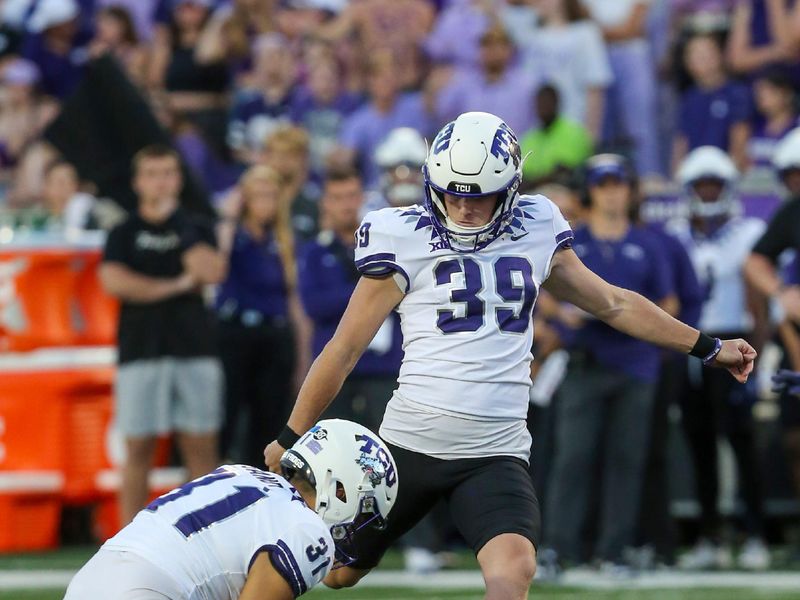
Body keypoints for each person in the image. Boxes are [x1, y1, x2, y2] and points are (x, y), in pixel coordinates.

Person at [263, 112, 755, 599]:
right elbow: (345, 348)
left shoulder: (536, 226)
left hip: (494, 450)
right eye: (452, 192)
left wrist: (708, 347)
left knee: (514, 569)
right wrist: (290, 434)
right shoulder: (403, 234)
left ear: (511, 187)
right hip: (408, 446)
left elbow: (613, 302)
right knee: (336, 573)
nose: (463, 209)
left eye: (480, 197)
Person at [65, 419, 398, 600]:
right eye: (364, 506)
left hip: (92, 576)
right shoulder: (305, 529)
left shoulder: (242, 474)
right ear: (340, 486)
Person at [544, 153, 677, 569]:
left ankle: (613, 550)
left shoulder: (649, 244)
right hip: (586, 360)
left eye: (618, 183)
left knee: (627, 461)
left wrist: (645, 329)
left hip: (636, 364)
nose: (611, 192)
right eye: (603, 184)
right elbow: (541, 289)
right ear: (590, 191)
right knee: (573, 459)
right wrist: (560, 313)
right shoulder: (571, 242)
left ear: (630, 190)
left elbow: (669, 302)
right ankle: (559, 547)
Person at [100, 144, 226, 526]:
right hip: (140, 349)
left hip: (195, 347)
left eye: (169, 173)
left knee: (201, 445)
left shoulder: (197, 225)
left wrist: (177, 222)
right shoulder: (124, 231)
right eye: (152, 174)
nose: (161, 182)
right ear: (138, 182)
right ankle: (126, 540)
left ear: (179, 179)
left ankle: (206, 534)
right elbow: (114, 281)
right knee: (138, 446)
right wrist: (175, 286)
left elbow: (210, 271)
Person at [668, 146, 769, 570]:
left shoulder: (749, 232)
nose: (708, 192)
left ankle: (755, 533)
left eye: (714, 184)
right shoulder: (675, 233)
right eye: (701, 185)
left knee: (741, 440)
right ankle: (710, 535)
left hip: (735, 340)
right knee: (700, 441)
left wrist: (759, 350)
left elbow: (759, 300)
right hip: (691, 343)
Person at [298, 169, 402, 433]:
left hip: (384, 368)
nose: (346, 204)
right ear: (325, 203)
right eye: (337, 197)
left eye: (352, 196)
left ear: (362, 199)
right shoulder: (314, 251)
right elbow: (314, 305)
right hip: (335, 373)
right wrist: (375, 290)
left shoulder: (388, 246)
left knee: (391, 451)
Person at [216, 165, 306, 466]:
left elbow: (293, 298)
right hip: (235, 334)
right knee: (225, 418)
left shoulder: (282, 240)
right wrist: (229, 216)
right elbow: (217, 268)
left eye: (270, 195)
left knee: (269, 421)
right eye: (257, 195)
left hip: (274, 337)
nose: (264, 202)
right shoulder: (233, 234)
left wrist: (302, 353)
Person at [673, 32, 751, 172]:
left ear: (720, 55)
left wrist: (733, 171)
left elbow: (740, 139)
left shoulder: (736, 93)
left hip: (724, 174)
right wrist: (678, 173)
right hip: (694, 174)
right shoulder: (688, 98)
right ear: (687, 62)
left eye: (707, 52)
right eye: (695, 53)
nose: (702, 58)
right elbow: (681, 142)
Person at [519, 85, 593, 188]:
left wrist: (535, 182)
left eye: (547, 102)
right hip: (533, 197)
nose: (543, 107)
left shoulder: (573, 132)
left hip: (566, 194)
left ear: (557, 103)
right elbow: (523, 176)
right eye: (540, 103)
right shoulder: (529, 138)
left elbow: (564, 174)